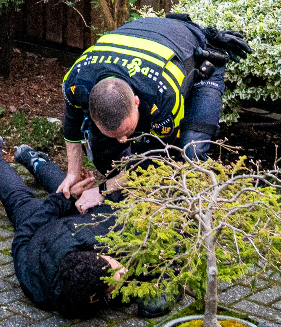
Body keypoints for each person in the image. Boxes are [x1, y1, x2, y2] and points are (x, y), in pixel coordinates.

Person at [56, 14, 241, 198]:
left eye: (126, 132)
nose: (123, 140)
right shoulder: (76, 81)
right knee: (104, 150)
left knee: (189, 155)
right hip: (142, 38)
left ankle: (187, 205)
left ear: (136, 101)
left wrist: (102, 191)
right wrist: (72, 173)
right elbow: (73, 125)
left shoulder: (163, 95)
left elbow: (157, 155)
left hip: (197, 57)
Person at [0, 134, 135, 318]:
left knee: (57, 193)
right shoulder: (107, 235)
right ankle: (7, 158)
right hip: (57, 227)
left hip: (44, 228)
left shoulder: (38, 288)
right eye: (117, 268)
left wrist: (70, 197)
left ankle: (8, 158)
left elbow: (21, 240)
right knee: (31, 198)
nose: (124, 270)